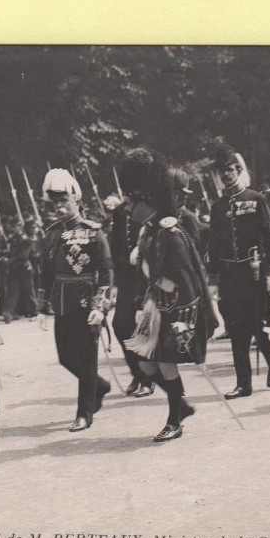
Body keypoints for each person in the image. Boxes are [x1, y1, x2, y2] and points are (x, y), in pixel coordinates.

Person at [125, 162, 217, 441]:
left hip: (176, 309)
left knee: (164, 364)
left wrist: (185, 322)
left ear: (146, 203)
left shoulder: (171, 233)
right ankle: (182, 406)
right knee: (144, 365)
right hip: (157, 305)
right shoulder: (151, 230)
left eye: (133, 204)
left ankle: (174, 420)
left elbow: (189, 280)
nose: (129, 210)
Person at [34, 169, 114, 431]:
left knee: (88, 359)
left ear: (77, 200)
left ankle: (84, 413)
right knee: (66, 357)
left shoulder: (93, 232)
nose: (59, 206)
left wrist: (100, 307)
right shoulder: (52, 233)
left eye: (63, 200)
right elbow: (45, 273)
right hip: (62, 303)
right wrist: (42, 308)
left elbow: (105, 273)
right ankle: (99, 386)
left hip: (87, 303)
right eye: (55, 202)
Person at [206, 143, 270, 399]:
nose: (226, 175)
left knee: (256, 325)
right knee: (236, 328)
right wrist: (213, 278)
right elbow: (214, 245)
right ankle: (243, 383)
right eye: (221, 172)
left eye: (229, 170)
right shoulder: (217, 208)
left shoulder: (256, 199)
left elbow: (269, 236)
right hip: (230, 275)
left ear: (238, 170)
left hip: (254, 273)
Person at [109, 149, 160, 398]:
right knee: (120, 325)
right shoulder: (119, 212)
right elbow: (115, 246)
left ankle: (149, 378)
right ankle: (137, 372)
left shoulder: (150, 207)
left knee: (144, 327)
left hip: (147, 275)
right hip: (128, 278)